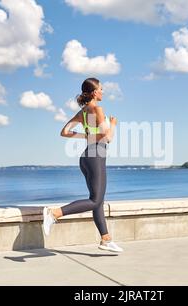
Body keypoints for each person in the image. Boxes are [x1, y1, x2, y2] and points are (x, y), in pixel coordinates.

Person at [42, 77, 123, 253]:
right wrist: (114, 125)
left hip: (86, 157)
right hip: (96, 156)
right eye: (101, 89)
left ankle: (106, 239)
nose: (103, 92)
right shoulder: (97, 109)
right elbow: (107, 137)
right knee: (95, 200)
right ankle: (54, 214)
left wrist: (85, 136)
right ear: (94, 92)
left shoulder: (83, 112)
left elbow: (64, 132)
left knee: (98, 201)